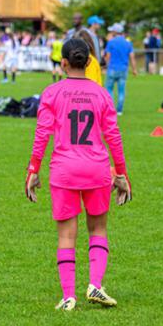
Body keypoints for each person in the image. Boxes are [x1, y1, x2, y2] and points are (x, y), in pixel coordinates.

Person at [24, 38, 131, 311]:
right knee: (98, 229)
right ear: (88, 62)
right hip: (96, 169)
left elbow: (42, 134)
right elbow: (113, 136)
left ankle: (68, 296)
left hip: (63, 171)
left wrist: (33, 169)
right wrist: (121, 173)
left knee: (66, 236)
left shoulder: (51, 93)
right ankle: (95, 284)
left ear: (63, 63)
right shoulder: (101, 94)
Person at [103, 24, 137, 116]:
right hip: (123, 70)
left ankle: (111, 108)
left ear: (114, 32)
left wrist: (105, 66)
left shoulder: (111, 42)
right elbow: (132, 57)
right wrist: (134, 69)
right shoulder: (128, 43)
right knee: (121, 91)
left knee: (109, 89)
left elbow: (108, 56)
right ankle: (119, 110)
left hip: (112, 69)